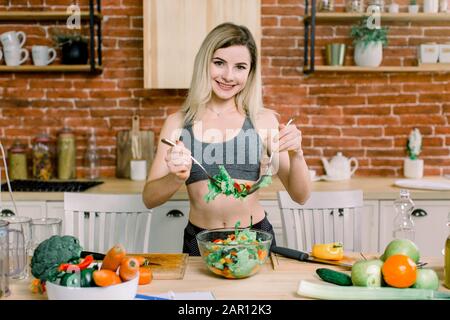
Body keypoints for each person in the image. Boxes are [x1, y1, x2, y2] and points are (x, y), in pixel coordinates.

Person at [143, 22, 311, 256]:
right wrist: (176, 177)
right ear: (205, 63)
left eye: (240, 67)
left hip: (254, 238)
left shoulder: (264, 121)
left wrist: (297, 154)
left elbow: (300, 196)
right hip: (200, 241)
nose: (228, 76)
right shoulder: (178, 123)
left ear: (250, 73)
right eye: (219, 63)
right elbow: (149, 199)